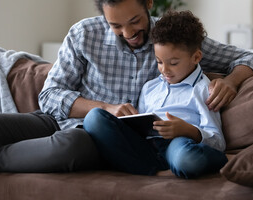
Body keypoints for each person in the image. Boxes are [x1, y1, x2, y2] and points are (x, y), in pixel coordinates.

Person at [0, 0, 253, 199]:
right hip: (55, 120)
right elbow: (51, 94)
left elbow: (250, 59)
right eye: (116, 25)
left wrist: (233, 81)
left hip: (94, 137)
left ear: (148, 3)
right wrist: (107, 107)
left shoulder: (170, 39)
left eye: (135, 21)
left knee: (70, 143)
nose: (129, 32)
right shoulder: (84, 34)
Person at [83, 10, 228, 178]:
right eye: (159, 62)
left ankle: (153, 169)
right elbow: (141, 125)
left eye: (173, 63)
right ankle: (157, 171)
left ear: (196, 57)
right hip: (147, 146)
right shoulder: (150, 87)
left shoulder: (204, 89)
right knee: (93, 118)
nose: (164, 70)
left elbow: (218, 141)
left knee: (187, 159)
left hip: (179, 144)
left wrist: (188, 130)